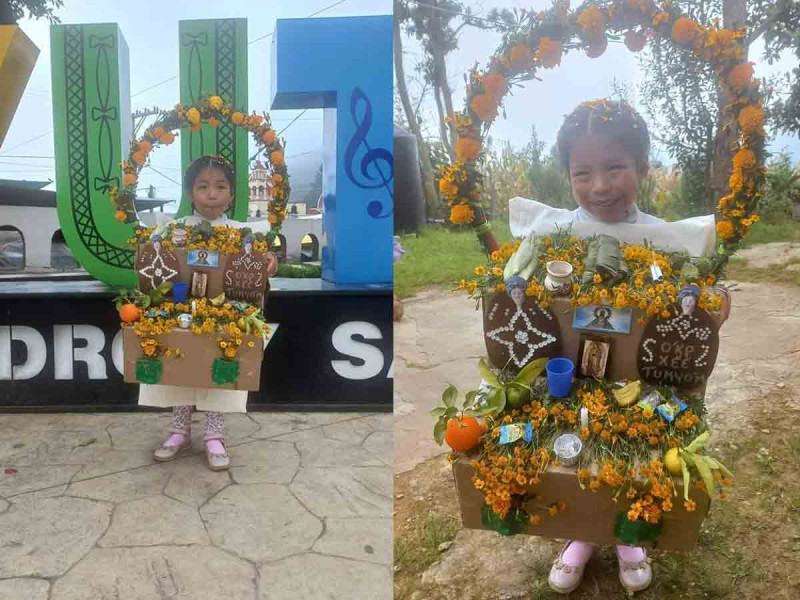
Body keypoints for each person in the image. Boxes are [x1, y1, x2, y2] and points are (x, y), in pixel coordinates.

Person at [545, 99, 730, 594]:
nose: (600, 186)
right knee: (577, 443)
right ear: (567, 174)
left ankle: (629, 536)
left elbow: (704, 299)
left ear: (643, 168)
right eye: (583, 172)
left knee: (632, 447)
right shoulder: (555, 235)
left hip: (638, 375)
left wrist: (712, 304)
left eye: (615, 167)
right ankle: (580, 536)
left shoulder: (667, 240)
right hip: (577, 367)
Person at [139, 155, 278, 471]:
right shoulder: (174, 229)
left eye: (220, 186)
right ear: (190, 193)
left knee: (219, 369)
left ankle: (215, 435)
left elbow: (261, 261)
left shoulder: (243, 232)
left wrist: (268, 261)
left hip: (224, 314)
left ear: (231, 193)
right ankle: (179, 431)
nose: (211, 194)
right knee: (179, 365)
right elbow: (152, 259)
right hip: (181, 312)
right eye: (203, 186)